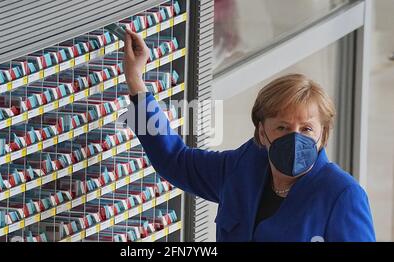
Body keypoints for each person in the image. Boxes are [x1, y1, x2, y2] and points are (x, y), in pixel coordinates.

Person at [122, 28, 376, 242]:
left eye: (307, 129)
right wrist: (136, 82)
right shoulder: (243, 167)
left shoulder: (342, 195)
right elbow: (176, 160)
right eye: (282, 128)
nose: (295, 139)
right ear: (261, 132)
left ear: (324, 134)